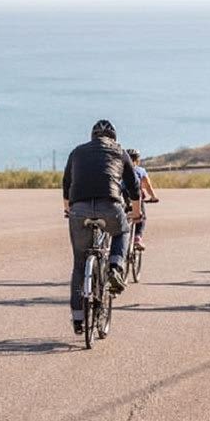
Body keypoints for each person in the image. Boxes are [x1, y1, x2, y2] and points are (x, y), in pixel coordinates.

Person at [63, 120, 142, 335]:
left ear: (92, 137)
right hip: (111, 205)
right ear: (114, 138)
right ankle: (115, 267)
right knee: (123, 230)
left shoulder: (77, 152)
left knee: (79, 264)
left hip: (79, 209)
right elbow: (134, 187)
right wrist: (136, 212)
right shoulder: (120, 151)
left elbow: (66, 183)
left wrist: (68, 210)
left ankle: (79, 319)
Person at [125, 148, 159, 250]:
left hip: (122, 198)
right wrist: (153, 197)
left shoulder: (120, 169)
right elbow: (147, 186)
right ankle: (137, 238)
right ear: (137, 160)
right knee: (141, 217)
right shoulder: (140, 170)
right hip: (136, 197)